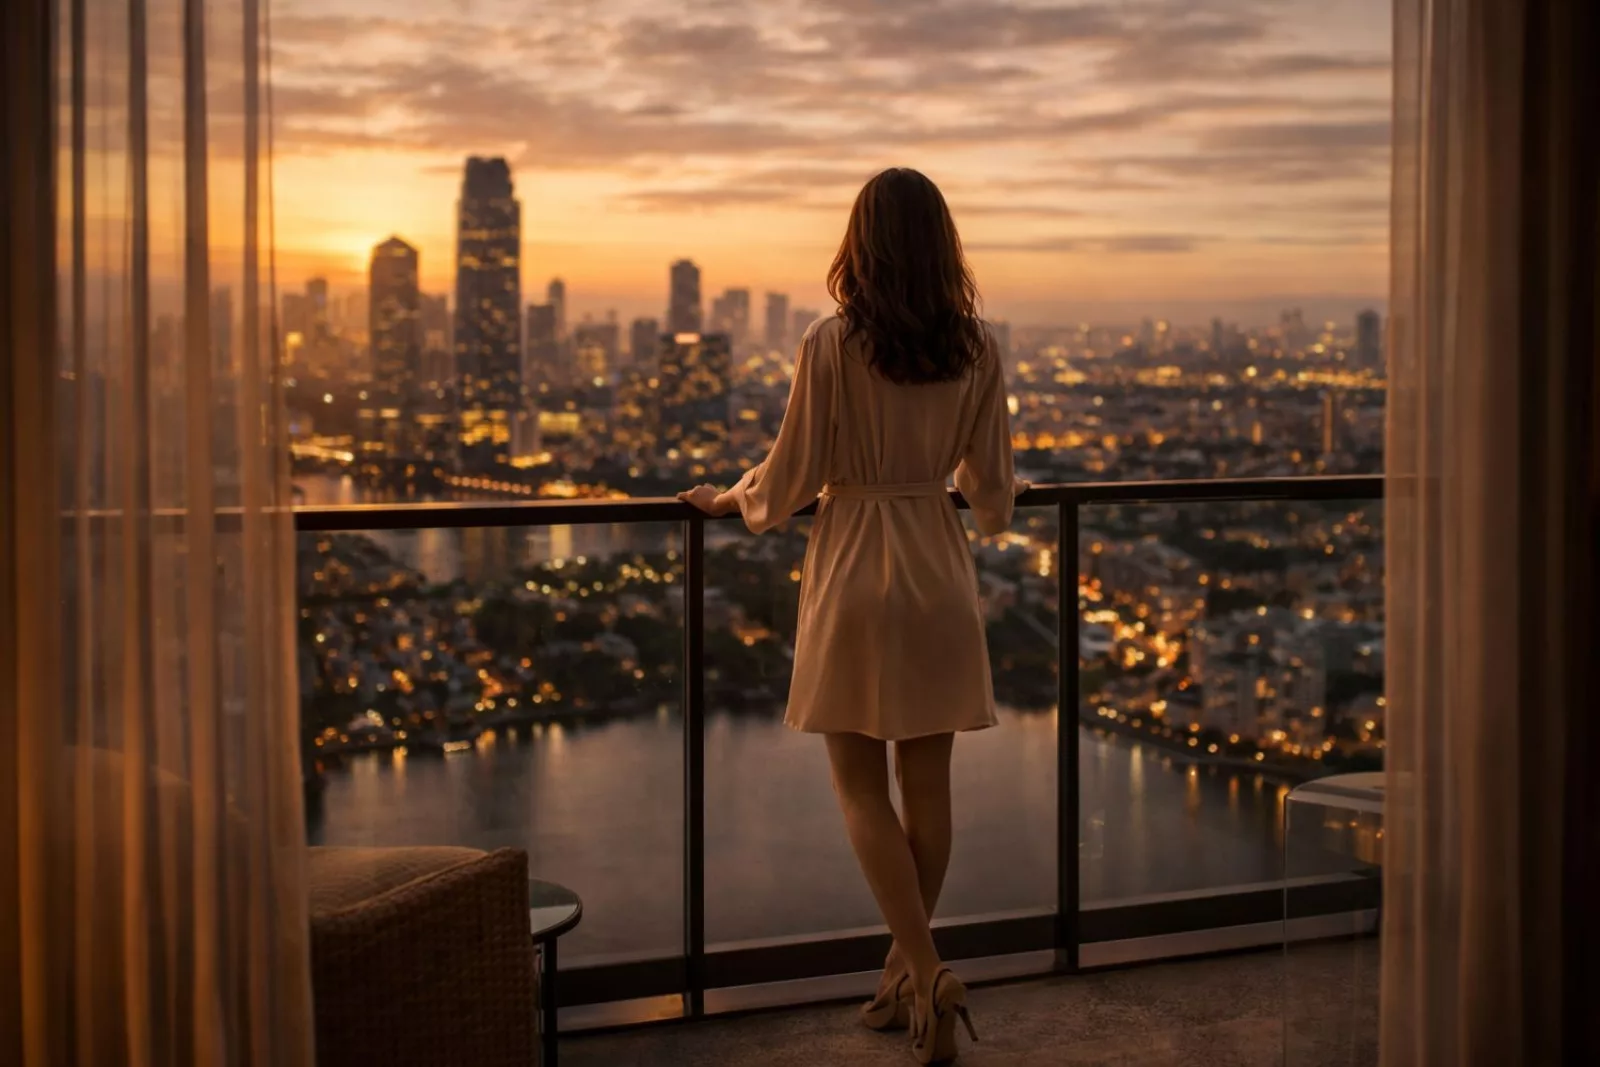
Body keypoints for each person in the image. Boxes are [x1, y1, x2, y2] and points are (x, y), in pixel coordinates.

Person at [679, 167, 1021, 1065]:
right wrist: (969, 489)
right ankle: (909, 978)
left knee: (861, 789)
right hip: (936, 571)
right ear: (944, 246)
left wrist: (730, 498)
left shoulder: (831, 343)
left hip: (855, 568)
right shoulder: (980, 349)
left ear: (857, 244)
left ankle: (925, 970)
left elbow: (791, 475)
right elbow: (990, 498)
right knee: (930, 790)